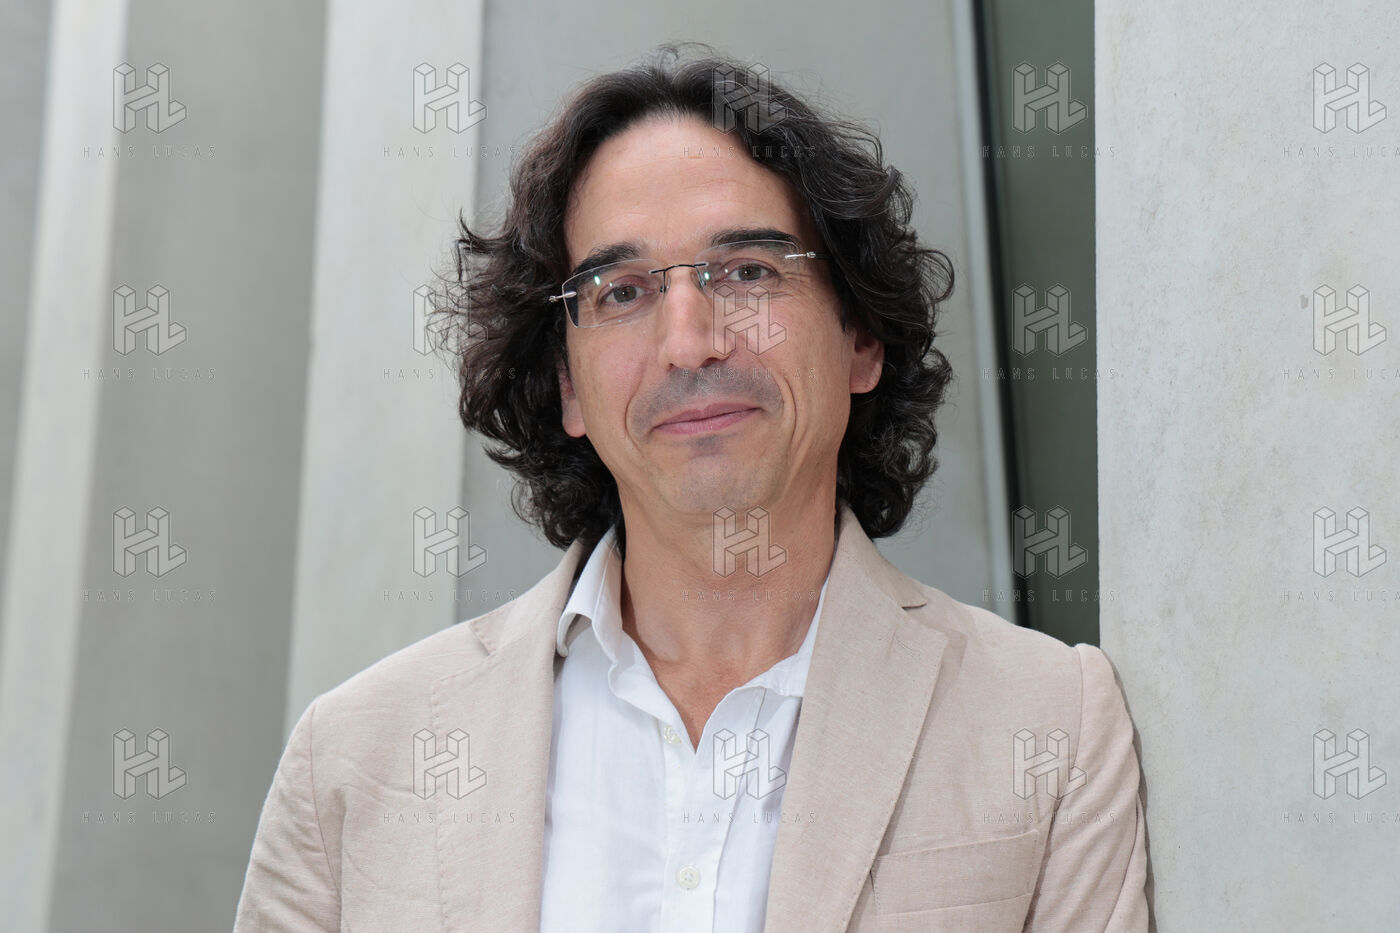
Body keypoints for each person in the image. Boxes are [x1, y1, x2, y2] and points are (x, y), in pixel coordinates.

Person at [234, 45, 1149, 932]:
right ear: (567, 386)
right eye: (622, 291)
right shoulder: (353, 757)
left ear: (861, 337)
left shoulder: (1052, 727)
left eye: (748, 272)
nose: (690, 342)